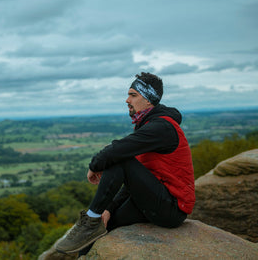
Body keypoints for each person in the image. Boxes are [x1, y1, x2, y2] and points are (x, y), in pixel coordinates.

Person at [56, 72, 195, 254]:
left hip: (171, 208)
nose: (127, 100)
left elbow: (116, 152)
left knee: (119, 158)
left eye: (133, 95)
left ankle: (90, 220)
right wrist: (109, 209)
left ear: (148, 100)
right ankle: (91, 230)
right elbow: (134, 180)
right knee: (98, 235)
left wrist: (94, 166)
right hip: (153, 199)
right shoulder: (148, 125)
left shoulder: (162, 128)